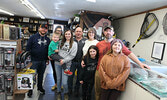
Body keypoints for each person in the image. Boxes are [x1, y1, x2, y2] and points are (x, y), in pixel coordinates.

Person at [92, 26, 150, 100]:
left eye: (110, 31)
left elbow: (129, 53)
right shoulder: (99, 44)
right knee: (99, 92)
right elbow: (92, 54)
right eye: (106, 31)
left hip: (115, 75)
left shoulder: (118, 43)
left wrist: (140, 63)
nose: (108, 32)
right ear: (104, 32)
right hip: (100, 72)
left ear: (113, 33)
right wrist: (84, 59)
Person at [26, 24, 50, 96]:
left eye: (45, 28)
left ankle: (40, 87)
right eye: (42, 28)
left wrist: (47, 59)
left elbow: (48, 50)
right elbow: (28, 48)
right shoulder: (32, 37)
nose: (44, 30)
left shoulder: (48, 39)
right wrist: (28, 60)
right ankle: (30, 90)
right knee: (32, 75)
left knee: (41, 75)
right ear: (39, 28)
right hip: (34, 60)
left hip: (43, 61)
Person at [55, 29, 77, 100]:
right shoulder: (60, 42)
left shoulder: (74, 44)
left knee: (64, 82)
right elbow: (55, 50)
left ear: (71, 35)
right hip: (57, 63)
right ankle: (58, 92)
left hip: (66, 65)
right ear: (64, 35)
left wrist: (64, 60)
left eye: (69, 34)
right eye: (66, 34)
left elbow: (72, 55)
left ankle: (65, 93)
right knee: (58, 79)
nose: (67, 35)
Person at [68, 27, 87, 96]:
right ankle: (69, 89)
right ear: (74, 32)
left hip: (81, 62)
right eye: (77, 31)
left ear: (82, 33)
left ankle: (76, 90)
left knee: (79, 77)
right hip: (72, 62)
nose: (78, 33)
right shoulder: (71, 40)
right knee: (70, 76)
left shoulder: (85, 41)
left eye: (80, 31)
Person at [50, 25, 63, 91]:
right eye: (58, 30)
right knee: (55, 71)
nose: (59, 32)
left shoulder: (63, 38)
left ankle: (61, 84)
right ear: (55, 31)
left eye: (60, 30)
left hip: (61, 57)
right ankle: (56, 84)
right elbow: (49, 47)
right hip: (53, 56)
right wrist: (48, 55)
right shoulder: (52, 38)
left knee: (62, 71)